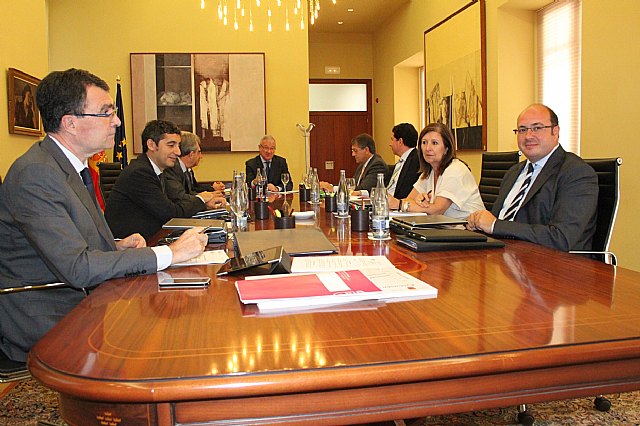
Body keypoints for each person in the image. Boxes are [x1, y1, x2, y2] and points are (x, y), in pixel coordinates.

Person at [0, 69, 207, 362]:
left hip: (85, 296)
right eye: (106, 112)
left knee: (179, 323)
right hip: (50, 309)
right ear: (70, 123)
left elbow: (68, 244)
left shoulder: (69, 167)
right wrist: (170, 253)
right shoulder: (37, 174)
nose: (117, 121)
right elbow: (76, 268)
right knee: (169, 342)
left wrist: (115, 246)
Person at [467, 104, 598, 251]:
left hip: (547, 260)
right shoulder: (513, 172)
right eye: (522, 130)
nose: (528, 136)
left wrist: (495, 225)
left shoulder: (576, 173)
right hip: (502, 253)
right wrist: (479, 223)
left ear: (555, 131)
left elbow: (561, 238)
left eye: (537, 128)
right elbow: (497, 220)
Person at [105, 120, 226, 240]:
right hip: (133, 246)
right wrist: (201, 199)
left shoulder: (157, 170)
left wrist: (204, 204)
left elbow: (175, 203)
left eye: (178, 145)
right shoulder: (140, 173)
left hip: (152, 237)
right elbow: (170, 213)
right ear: (151, 145)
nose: (178, 152)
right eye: (171, 145)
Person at [390, 123, 484, 219]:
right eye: (424, 142)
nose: (428, 148)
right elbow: (409, 199)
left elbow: (437, 210)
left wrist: (399, 204)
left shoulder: (455, 170)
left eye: (434, 143)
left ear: (446, 149)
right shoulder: (429, 172)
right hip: (443, 225)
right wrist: (417, 202)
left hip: (469, 226)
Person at [163, 131, 226, 200]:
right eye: (198, 152)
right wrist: (204, 197)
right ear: (191, 154)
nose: (201, 156)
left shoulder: (187, 169)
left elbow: (194, 189)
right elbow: (180, 197)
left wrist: (211, 190)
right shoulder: (172, 169)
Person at [321, 133, 388, 196]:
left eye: (355, 151)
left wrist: (333, 188)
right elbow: (352, 185)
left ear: (366, 150)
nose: (353, 154)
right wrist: (330, 186)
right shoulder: (362, 164)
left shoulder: (377, 165)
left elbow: (364, 188)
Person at [385, 123, 420, 200]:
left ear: (400, 141)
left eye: (392, 140)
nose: (390, 144)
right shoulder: (401, 162)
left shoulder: (417, 161)